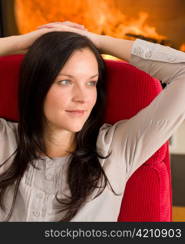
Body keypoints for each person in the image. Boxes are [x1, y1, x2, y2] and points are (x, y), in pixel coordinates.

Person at [0, 21, 185, 222]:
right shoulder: (4, 142)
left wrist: (98, 41)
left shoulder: (116, 150)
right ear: (36, 86)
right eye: (65, 82)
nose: (83, 98)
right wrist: (25, 41)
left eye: (91, 82)